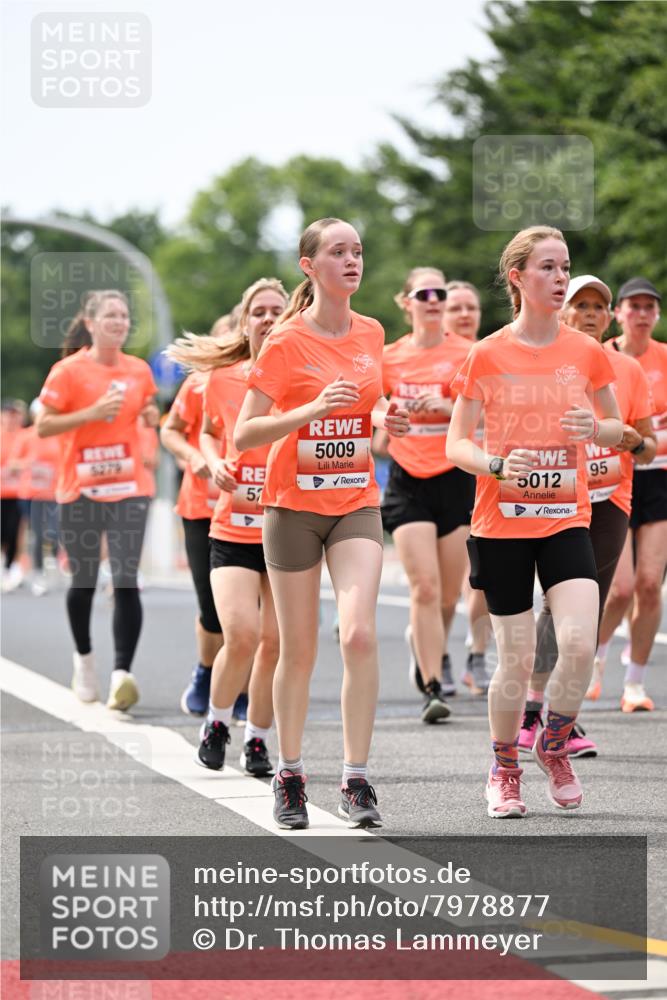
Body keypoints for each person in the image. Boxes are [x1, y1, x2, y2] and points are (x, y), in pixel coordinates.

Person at [234, 218, 410, 830]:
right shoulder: (284, 342)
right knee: (300, 648)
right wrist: (311, 408)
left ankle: (356, 779)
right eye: (338, 252)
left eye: (358, 250)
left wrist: (393, 414)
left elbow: (373, 397)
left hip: (357, 500)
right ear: (310, 266)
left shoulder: (372, 331)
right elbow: (244, 433)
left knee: (359, 634)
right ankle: (288, 772)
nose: (352, 260)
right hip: (292, 508)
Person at [446, 226, 622, 818]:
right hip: (501, 525)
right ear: (518, 278)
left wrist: (593, 431)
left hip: (567, 517)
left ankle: (554, 742)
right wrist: (496, 464)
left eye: (566, 266)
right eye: (548, 267)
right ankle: (503, 769)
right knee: (516, 661)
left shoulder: (586, 351)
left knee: (577, 643)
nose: (561, 277)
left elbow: (620, 431)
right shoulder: (486, 353)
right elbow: (456, 444)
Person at [519, 275, 655, 756]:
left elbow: (645, 442)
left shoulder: (628, 370)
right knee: (556, 607)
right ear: (563, 312)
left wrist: (622, 438)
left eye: (600, 305)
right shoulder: (543, 362)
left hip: (610, 500)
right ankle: (534, 711)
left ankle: (561, 721)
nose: (592, 312)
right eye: (582, 304)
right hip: (555, 498)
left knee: (585, 607)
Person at [171, 279, 288, 776]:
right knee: (239, 633)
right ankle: (217, 722)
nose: (266, 318)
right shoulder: (221, 378)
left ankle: (258, 739)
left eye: (276, 311)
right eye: (258, 311)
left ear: (289, 319)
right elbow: (207, 430)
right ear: (245, 322)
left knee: (275, 643)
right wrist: (213, 461)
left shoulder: (305, 378)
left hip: (286, 527)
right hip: (232, 527)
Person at [37, 290, 159, 710]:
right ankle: (84, 661)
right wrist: (90, 413)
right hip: (81, 487)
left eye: (124, 315)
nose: (119, 322)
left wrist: (150, 418)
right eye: (110, 315)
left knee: (126, 577)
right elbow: (44, 426)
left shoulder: (140, 370)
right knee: (85, 579)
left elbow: (146, 412)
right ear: (90, 323)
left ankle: (122, 675)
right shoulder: (67, 372)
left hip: (129, 486)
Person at [378, 267, 482, 720]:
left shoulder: (468, 353)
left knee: (445, 597)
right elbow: (371, 416)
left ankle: (430, 649)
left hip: (455, 477)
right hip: (407, 481)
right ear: (407, 302)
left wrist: (449, 407)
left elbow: (493, 416)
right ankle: (433, 686)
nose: (435, 299)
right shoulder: (388, 357)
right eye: (425, 293)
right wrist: (386, 423)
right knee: (423, 586)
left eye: (441, 291)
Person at [594, 278, 667, 711]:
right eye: (633, 306)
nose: (641, 314)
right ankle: (597, 659)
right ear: (618, 314)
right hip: (614, 479)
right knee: (618, 589)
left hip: (658, 478)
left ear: (656, 314)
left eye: (649, 307)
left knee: (649, 584)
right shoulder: (602, 358)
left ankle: (635, 682)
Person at [161, 319, 227, 716]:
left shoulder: (273, 378)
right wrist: (194, 457)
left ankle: (239, 685)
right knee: (212, 607)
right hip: (202, 506)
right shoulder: (201, 383)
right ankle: (206, 670)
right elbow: (171, 431)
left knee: (251, 612)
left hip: (256, 506)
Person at [14, 399, 62, 596]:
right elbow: (12, 464)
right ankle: (38, 573)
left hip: (55, 493)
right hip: (32, 494)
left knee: (55, 533)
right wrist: (28, 463)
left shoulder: (59, 435)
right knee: (38, 533)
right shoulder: (26, 437)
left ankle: (53, 563)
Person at [1, 399, 28, 591]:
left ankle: (11, 567)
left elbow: (35, 459)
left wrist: (19, 466)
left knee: (14, 531)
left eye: (16, 414)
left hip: (20, 492)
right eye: (9, 414)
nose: (12, 418)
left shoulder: (26, 436)